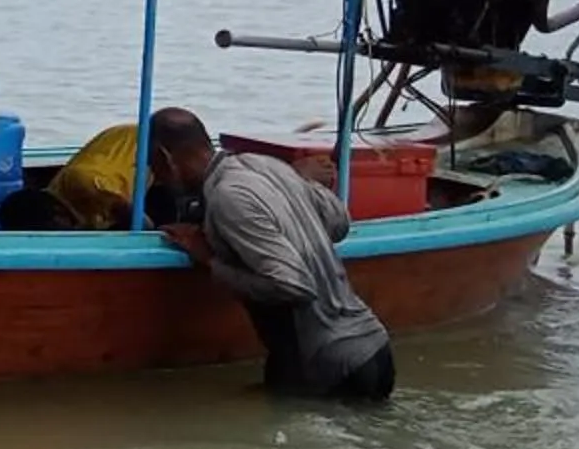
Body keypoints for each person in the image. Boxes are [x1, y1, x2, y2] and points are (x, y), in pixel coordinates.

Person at [150, 108, 397, 402]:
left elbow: (293, 286)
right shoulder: (269, 166)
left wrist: (210, 260)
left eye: (153, 165)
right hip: (375, 348)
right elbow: (339, 223)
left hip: (326, 366)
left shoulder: (228, 197)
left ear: (166, 158)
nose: (156, 176)